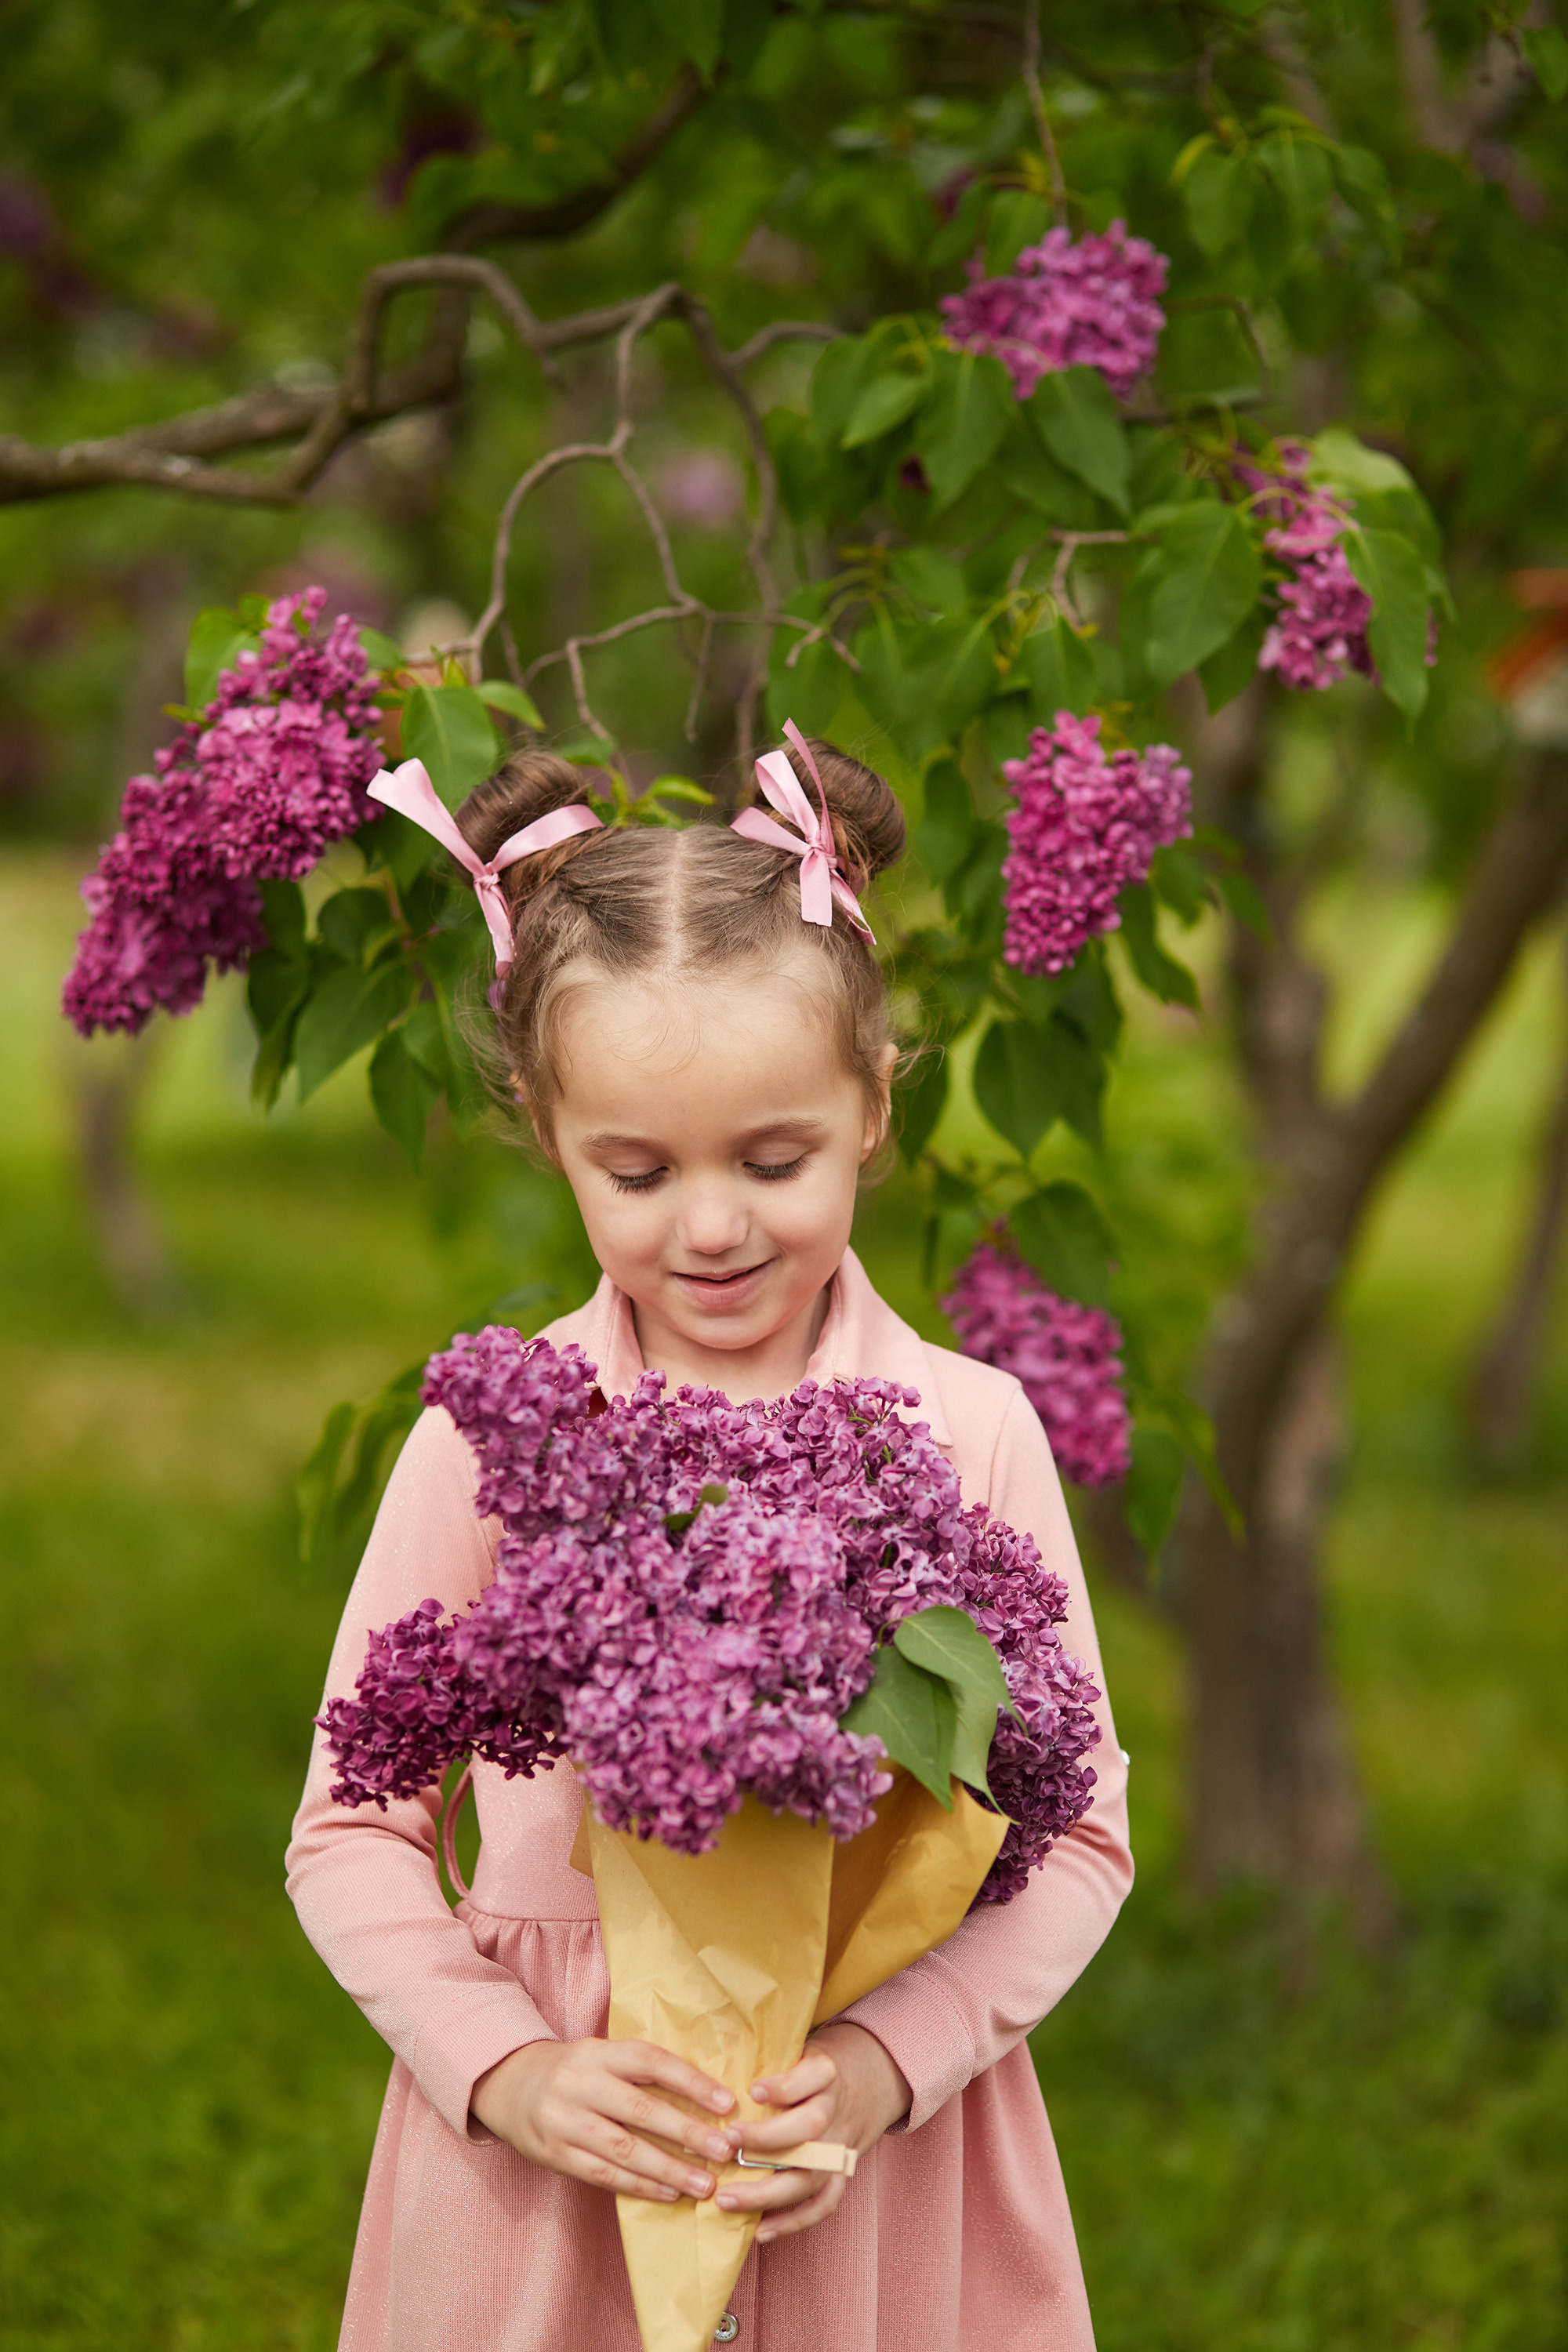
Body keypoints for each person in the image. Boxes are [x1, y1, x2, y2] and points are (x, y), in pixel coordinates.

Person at [285, 724, 1134, 2352]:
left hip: (865, 2171)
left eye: (774, 1157)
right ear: (547, 1131)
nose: (716, 1223)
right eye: (639, 1169)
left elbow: (1075, 1836)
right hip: (556, 2172)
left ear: (873, 1107)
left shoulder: (971, 1434)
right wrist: (506, 2068)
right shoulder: (495, 1435)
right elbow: (351, 1832)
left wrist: (891, 2063)